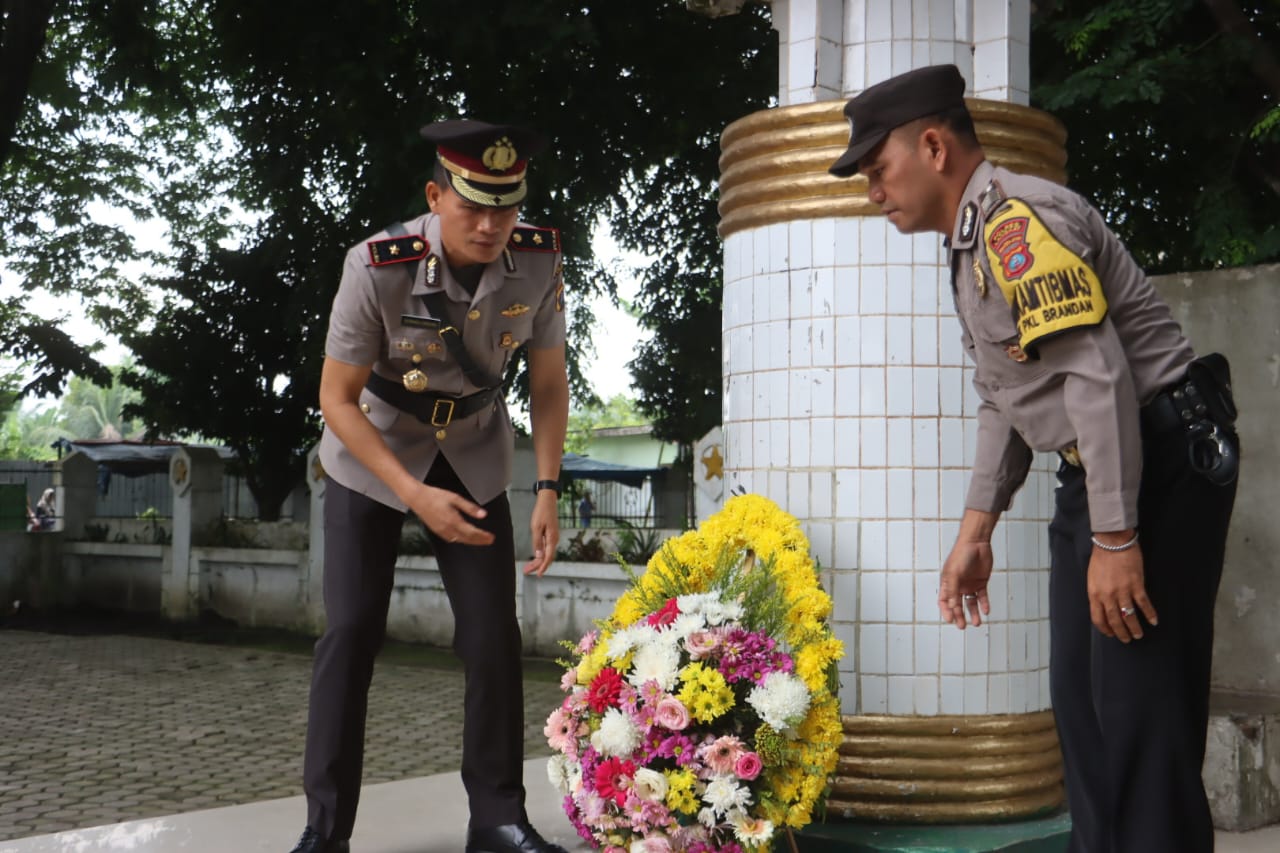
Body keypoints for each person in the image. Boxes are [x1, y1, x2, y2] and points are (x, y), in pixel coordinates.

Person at [829, 65, 1239, 853]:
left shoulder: (1017, 224)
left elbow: (1097, 375)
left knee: (1139, 718)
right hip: (1104, 467)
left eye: (878, 169)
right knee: (1083, 710)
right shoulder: (970, 242)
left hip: (1159, 459)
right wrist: (975, 530)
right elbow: (1008, 394)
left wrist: (1117, 538)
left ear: (935, 146)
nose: (872, 191)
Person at [289, 119, 571, 853]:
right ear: (434, 196)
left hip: (474, 452)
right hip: (372, 456)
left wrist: (545, 486)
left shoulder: (538, 261)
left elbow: (547, 381)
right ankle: (325, 830)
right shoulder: (376, 265)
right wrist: (412, 495)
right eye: (472, 206)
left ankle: (498, 819)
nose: (490, 226)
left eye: (505, 209)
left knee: (492, 638)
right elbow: (337, 399)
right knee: (350, 631)